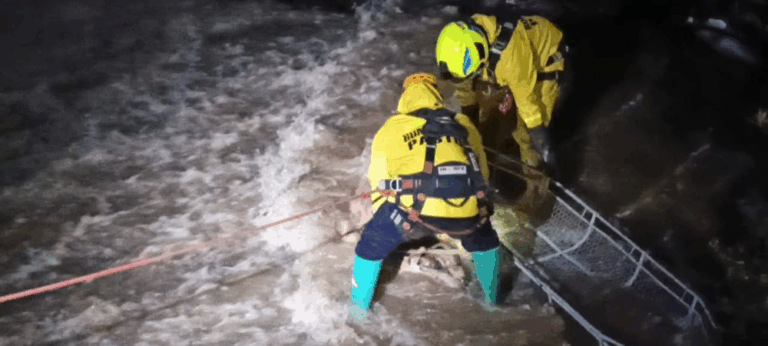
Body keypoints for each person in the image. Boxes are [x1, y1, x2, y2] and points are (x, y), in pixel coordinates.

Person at [349, 72, 502, 323]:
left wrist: (384, 216)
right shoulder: (463, 122)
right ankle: (491, 303)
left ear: (405, 99)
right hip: (469, 214)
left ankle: (358, 312)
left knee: (369, 248)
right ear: (436, 95)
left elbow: (378, 178)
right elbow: (481, 171)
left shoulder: (393, 127)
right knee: (487, 243)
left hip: (413, 214)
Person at [435, 14, 571, 186]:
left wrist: (542, 146)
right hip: (512, 62)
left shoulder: (511, 61)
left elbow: (529, 107)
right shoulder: (462, 44)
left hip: (547, 58)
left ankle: (543, 178)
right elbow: (465, 88)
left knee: (527, 125)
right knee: (495, 108)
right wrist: (471, 129)